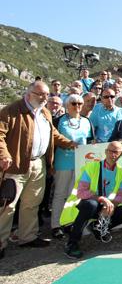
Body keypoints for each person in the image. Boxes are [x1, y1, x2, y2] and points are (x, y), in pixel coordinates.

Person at [0, 81, 76, 258]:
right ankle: (0, 242)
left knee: (32, 203)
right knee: (7, 206)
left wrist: (71, 144)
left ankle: (27, 237)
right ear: (29, 93)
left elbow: (54, 135)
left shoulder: (45, 113)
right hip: (15, 165)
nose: (44, 98)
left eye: (46, 95)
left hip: (39, 164)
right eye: (40, 94)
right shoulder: (11, 110)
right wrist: (3, 155)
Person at [60, 141, 122, 258]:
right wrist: (103, 200)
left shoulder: (121, 171)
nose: (113, 155)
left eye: (117, 152)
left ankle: (97, 228)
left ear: (121, 154)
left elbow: (120, 195)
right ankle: (72, 243)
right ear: (106, 152)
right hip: (84, 204)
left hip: (103, 204)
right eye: (111, 151)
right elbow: (81, 192)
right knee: (91, 205)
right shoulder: (92, 167)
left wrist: (111, 205)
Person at [50, 95, 94, 239]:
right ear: (67, 105)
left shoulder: (87, 121)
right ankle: (56, 225)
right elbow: (52, 142)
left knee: (74, 194)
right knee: (60, 194)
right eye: (74, 103)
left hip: (81, 164)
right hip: (63, 162)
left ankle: (69, 221)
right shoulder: (59, 121)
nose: (77, 106)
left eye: (80, 103)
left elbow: (90, 142)